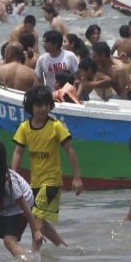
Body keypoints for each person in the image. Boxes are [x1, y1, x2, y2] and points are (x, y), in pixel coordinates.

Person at [12, 86, 83, 247]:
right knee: (39, 219)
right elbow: (18, 151)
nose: (43, 109)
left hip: (51, 182)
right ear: (31, 107)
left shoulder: (56, 126)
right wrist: (13, 176)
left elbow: (69, 150)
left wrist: (77, 177)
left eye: (46, 105)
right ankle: (63, 247)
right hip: (34, 183)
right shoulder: (24, 127)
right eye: (39, 105)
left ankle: (34, 261)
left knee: (37, 222)